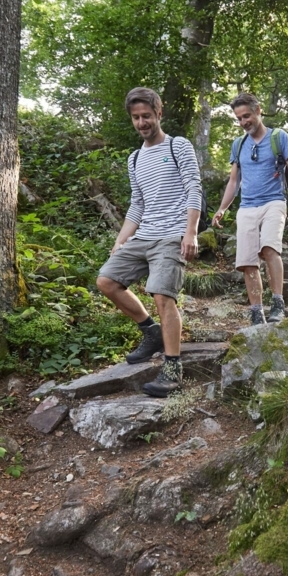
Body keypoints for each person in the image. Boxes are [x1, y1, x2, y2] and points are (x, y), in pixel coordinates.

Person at [96, 87, 202, 397]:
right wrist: (121, 240)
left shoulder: (178, 146)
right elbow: (137, 204)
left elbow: (193, 189)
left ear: (159, 113)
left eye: (146, 116)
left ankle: (172, 368)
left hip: (172, 235)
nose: (142, 122)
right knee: (106, 281)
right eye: (136, 117)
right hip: (144, 235)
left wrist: (191, 232)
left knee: (161, 295)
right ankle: (150, 331)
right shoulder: (134, 158)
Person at [212, 92, 288, 324]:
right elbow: (234, 181)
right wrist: (223, 208)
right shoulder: (238, 144)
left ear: (258, 110)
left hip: (274, 201)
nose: (244, 122)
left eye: (247, 116)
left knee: (269, 249)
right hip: (247, 207)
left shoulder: (279, 137)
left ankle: (278, 302)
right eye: (239, 119)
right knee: (247, 261)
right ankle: (256, 311)